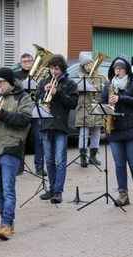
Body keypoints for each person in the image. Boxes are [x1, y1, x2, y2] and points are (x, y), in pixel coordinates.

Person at [0, 67, 33, 240]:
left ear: (10, 82)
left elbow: (24, 120)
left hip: (10, 146)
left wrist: (1, 113)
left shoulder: (22, 97)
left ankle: (6, 224)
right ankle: (7, 222)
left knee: (8, 189)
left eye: (2, 82)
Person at [100, 54, 133, 206]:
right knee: (119, 164)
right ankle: (123, 195)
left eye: (120, 68)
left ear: (126, 70)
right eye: (115, 68)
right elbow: (102, 104)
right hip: (115, 129)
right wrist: (105, 108)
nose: (117, 71)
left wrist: (121, 98)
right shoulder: (109, 85)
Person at [36, 55, 78, 204]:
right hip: (46, 125)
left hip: (61, 125)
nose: (53, 71)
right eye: (51, 68)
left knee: (60, 160)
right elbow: (37, 100)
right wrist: (43, 93)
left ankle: (59, 191)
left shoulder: (70, 83)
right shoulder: (43, 82)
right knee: (49, 160)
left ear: (62, 69)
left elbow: (73, 103)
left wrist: (58, 92)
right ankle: (52, 188)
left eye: (56, 69)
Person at [13, 53, 46, 176]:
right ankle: (19, 166)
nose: (27, 63)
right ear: (20, 63)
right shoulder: (16, 76)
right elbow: (15, 92)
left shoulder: (40, 76)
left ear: (33, 62)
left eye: (29, 61)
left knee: (39, 140)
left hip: (36, 110)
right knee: (21, 139)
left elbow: (43, 92)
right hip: (23, 110)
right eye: (24, 61)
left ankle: (39, 167)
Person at [74, 51, 107, 167]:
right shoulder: (78, 75)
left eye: (90, 64)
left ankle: (93, 156)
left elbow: (104, 89)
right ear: (82, 66)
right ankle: (83, 156)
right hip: (84, 107)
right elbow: (76, 88)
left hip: (96, 107)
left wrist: (100, 87)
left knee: (97, 132)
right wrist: (88, 85)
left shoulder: (99, 75)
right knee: (84, 132)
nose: (89, 66)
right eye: (86, 65)